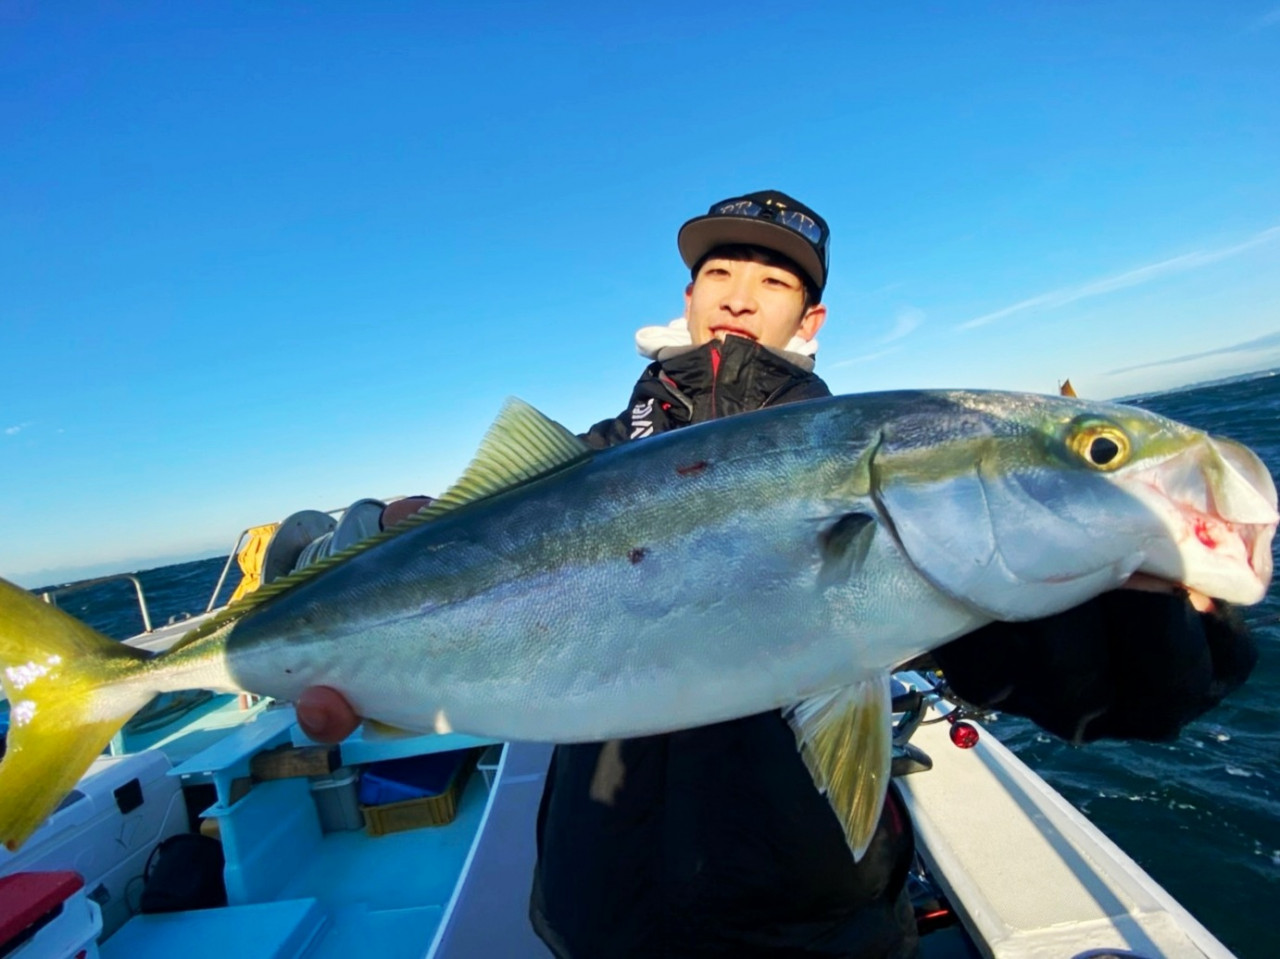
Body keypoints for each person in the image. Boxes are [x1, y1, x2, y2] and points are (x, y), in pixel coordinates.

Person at [296, 191, 1257, 958]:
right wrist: (370, 558)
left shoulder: (905, 471)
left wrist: (1148, 616)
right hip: (602, 905)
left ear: (813, 315)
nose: (739, 292)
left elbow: (1095, 690)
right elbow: (451, 576)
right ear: (687, 297)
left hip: (808, 915)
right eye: (718, 269)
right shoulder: (577, 466)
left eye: (773, 277)